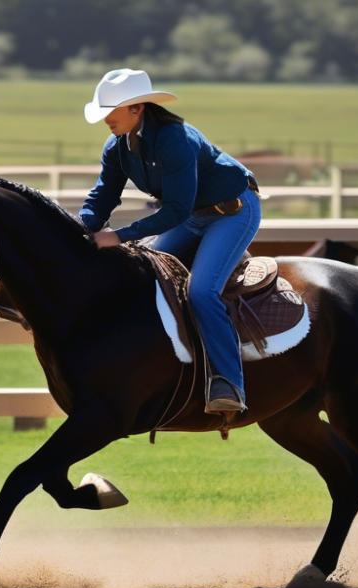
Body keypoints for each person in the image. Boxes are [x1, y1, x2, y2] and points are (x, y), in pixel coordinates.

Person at [79, 68, 261, 414]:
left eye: (111, 110)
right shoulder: (117, 145)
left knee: (201, 291)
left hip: (233, 212)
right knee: (140, 273)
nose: (106, 119)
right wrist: (80, 227)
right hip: (193, 216)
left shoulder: (174, 138)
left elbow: (175, 210)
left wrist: (119, 236)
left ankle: (230, 383)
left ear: (138, 109)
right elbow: (103, 196)